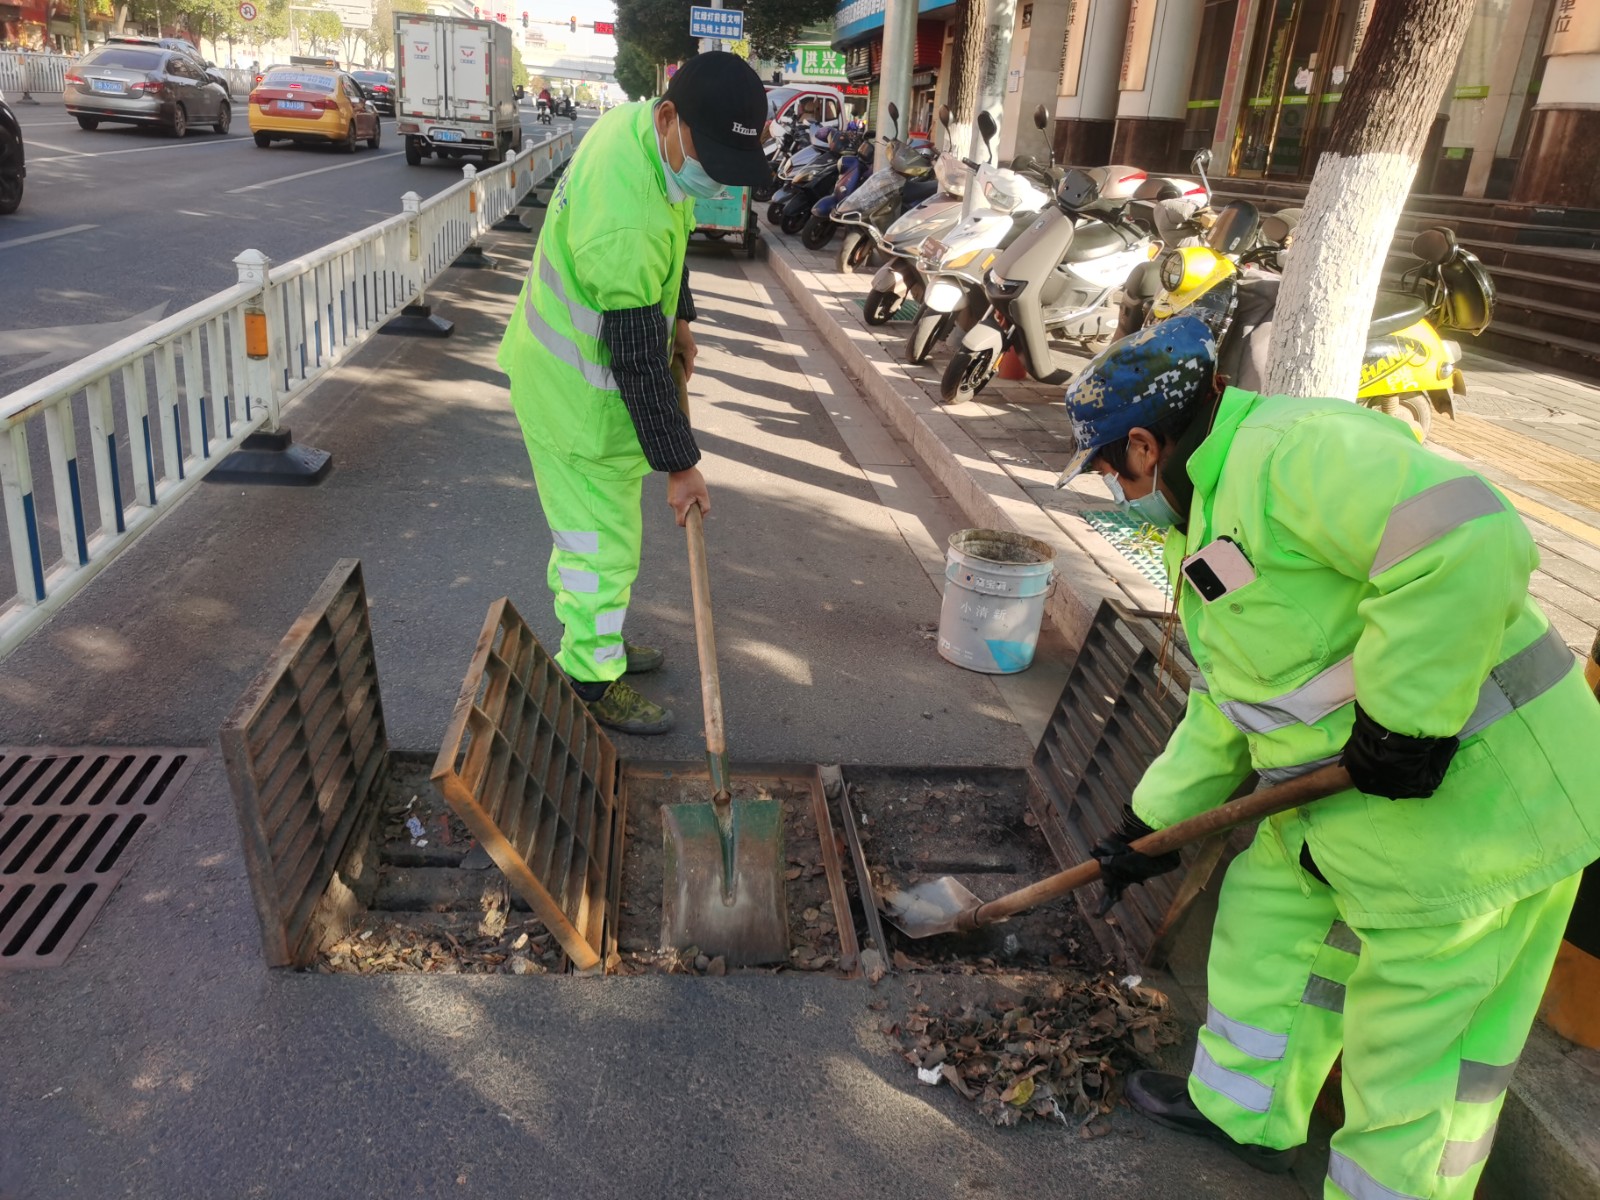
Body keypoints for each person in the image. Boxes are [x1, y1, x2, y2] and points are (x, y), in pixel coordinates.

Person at [1057, 316, 1600, 1199]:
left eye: (1109, 470)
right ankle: (1247, 1112)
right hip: (1349, 808)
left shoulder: (1294, 453)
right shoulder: (1206, 516)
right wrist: (1145, 827)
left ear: (1146, 446)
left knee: (1415, 1050)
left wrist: (1409, 722)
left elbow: (1468, 533)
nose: (1116, 491)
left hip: (1487, 812)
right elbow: (1232, 700)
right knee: (1267, 923)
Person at [498, 52, 770, 735]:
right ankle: (590, 678)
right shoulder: (628, 222)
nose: (709, 181)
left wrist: (681, 317)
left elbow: (670, 245)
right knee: (600, 547)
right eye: (707, 159)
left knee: (598, 537)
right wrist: (682, 467)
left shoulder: (636, 133)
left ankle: (600, 642)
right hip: (576, 397)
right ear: (671, 118)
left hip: (572, 373)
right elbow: (639, 365)